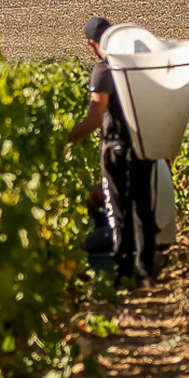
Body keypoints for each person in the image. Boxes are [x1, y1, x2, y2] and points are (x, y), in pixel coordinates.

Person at [68, 16, 158, 286]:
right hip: (144, 144)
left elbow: (96, 118)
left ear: (91, 44)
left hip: (116, 147)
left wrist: (66, 138)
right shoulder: (138, 67)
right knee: (143, 208)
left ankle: (123, 273)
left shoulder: (104, 71)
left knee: (118, 211)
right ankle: (145, 274)